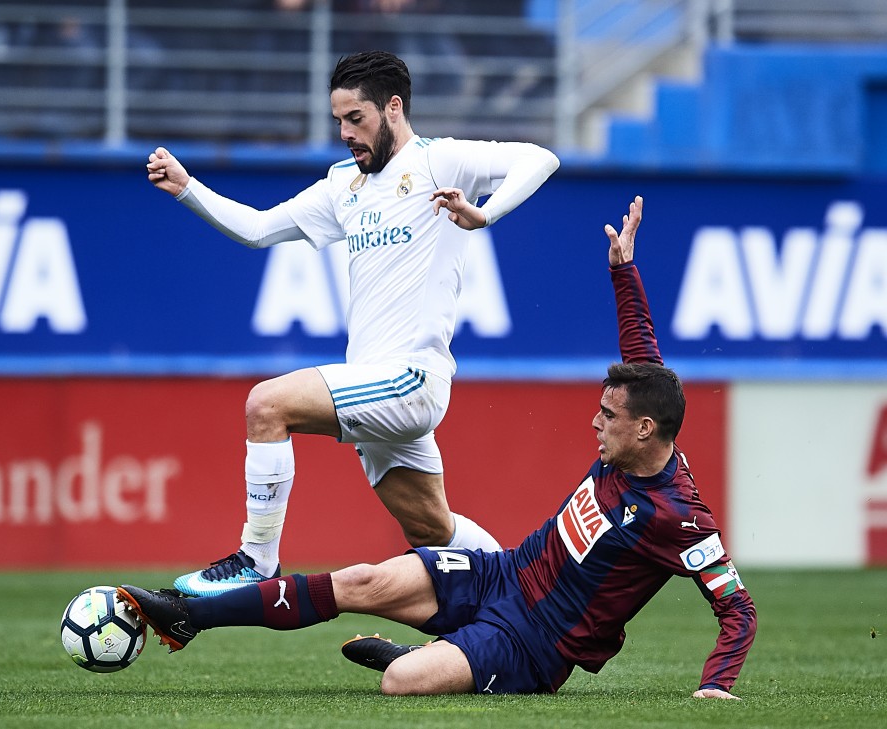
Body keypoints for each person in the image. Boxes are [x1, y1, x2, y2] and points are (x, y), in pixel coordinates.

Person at [117, 196, 758, 698]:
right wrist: (624, 270)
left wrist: (715, 686)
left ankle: (421, 662)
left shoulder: (678, 516)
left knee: (400, 685)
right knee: (361, 580)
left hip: (532, 643)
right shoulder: (644, 411)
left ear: (647, 429)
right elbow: (641, 349)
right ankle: (188, 617)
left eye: (608, 415)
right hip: (501, 574)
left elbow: (738, 610)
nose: (595, 423)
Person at [146, 50, 560, 596]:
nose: (344, 132)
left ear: (393, 108)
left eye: (355, 118)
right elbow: (259, 229)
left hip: (410, 379)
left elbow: (540, 158)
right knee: (433, 530)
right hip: (374, 381)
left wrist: (486, 212)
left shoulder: (443, 161)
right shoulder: (345, 185)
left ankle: (256, 559)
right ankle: (530, 597)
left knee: (265, 405)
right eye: (337, 120)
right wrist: (187, 188)